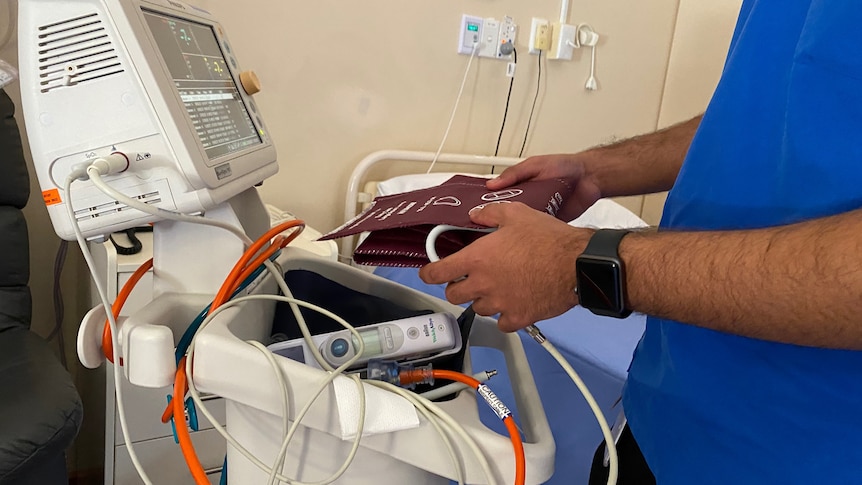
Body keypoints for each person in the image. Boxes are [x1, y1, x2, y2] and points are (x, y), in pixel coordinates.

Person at [418, 1, 862, 483]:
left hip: (800, 456)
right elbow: (760, 115)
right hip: (660, 419)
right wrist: (595, 170)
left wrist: (581, 262)